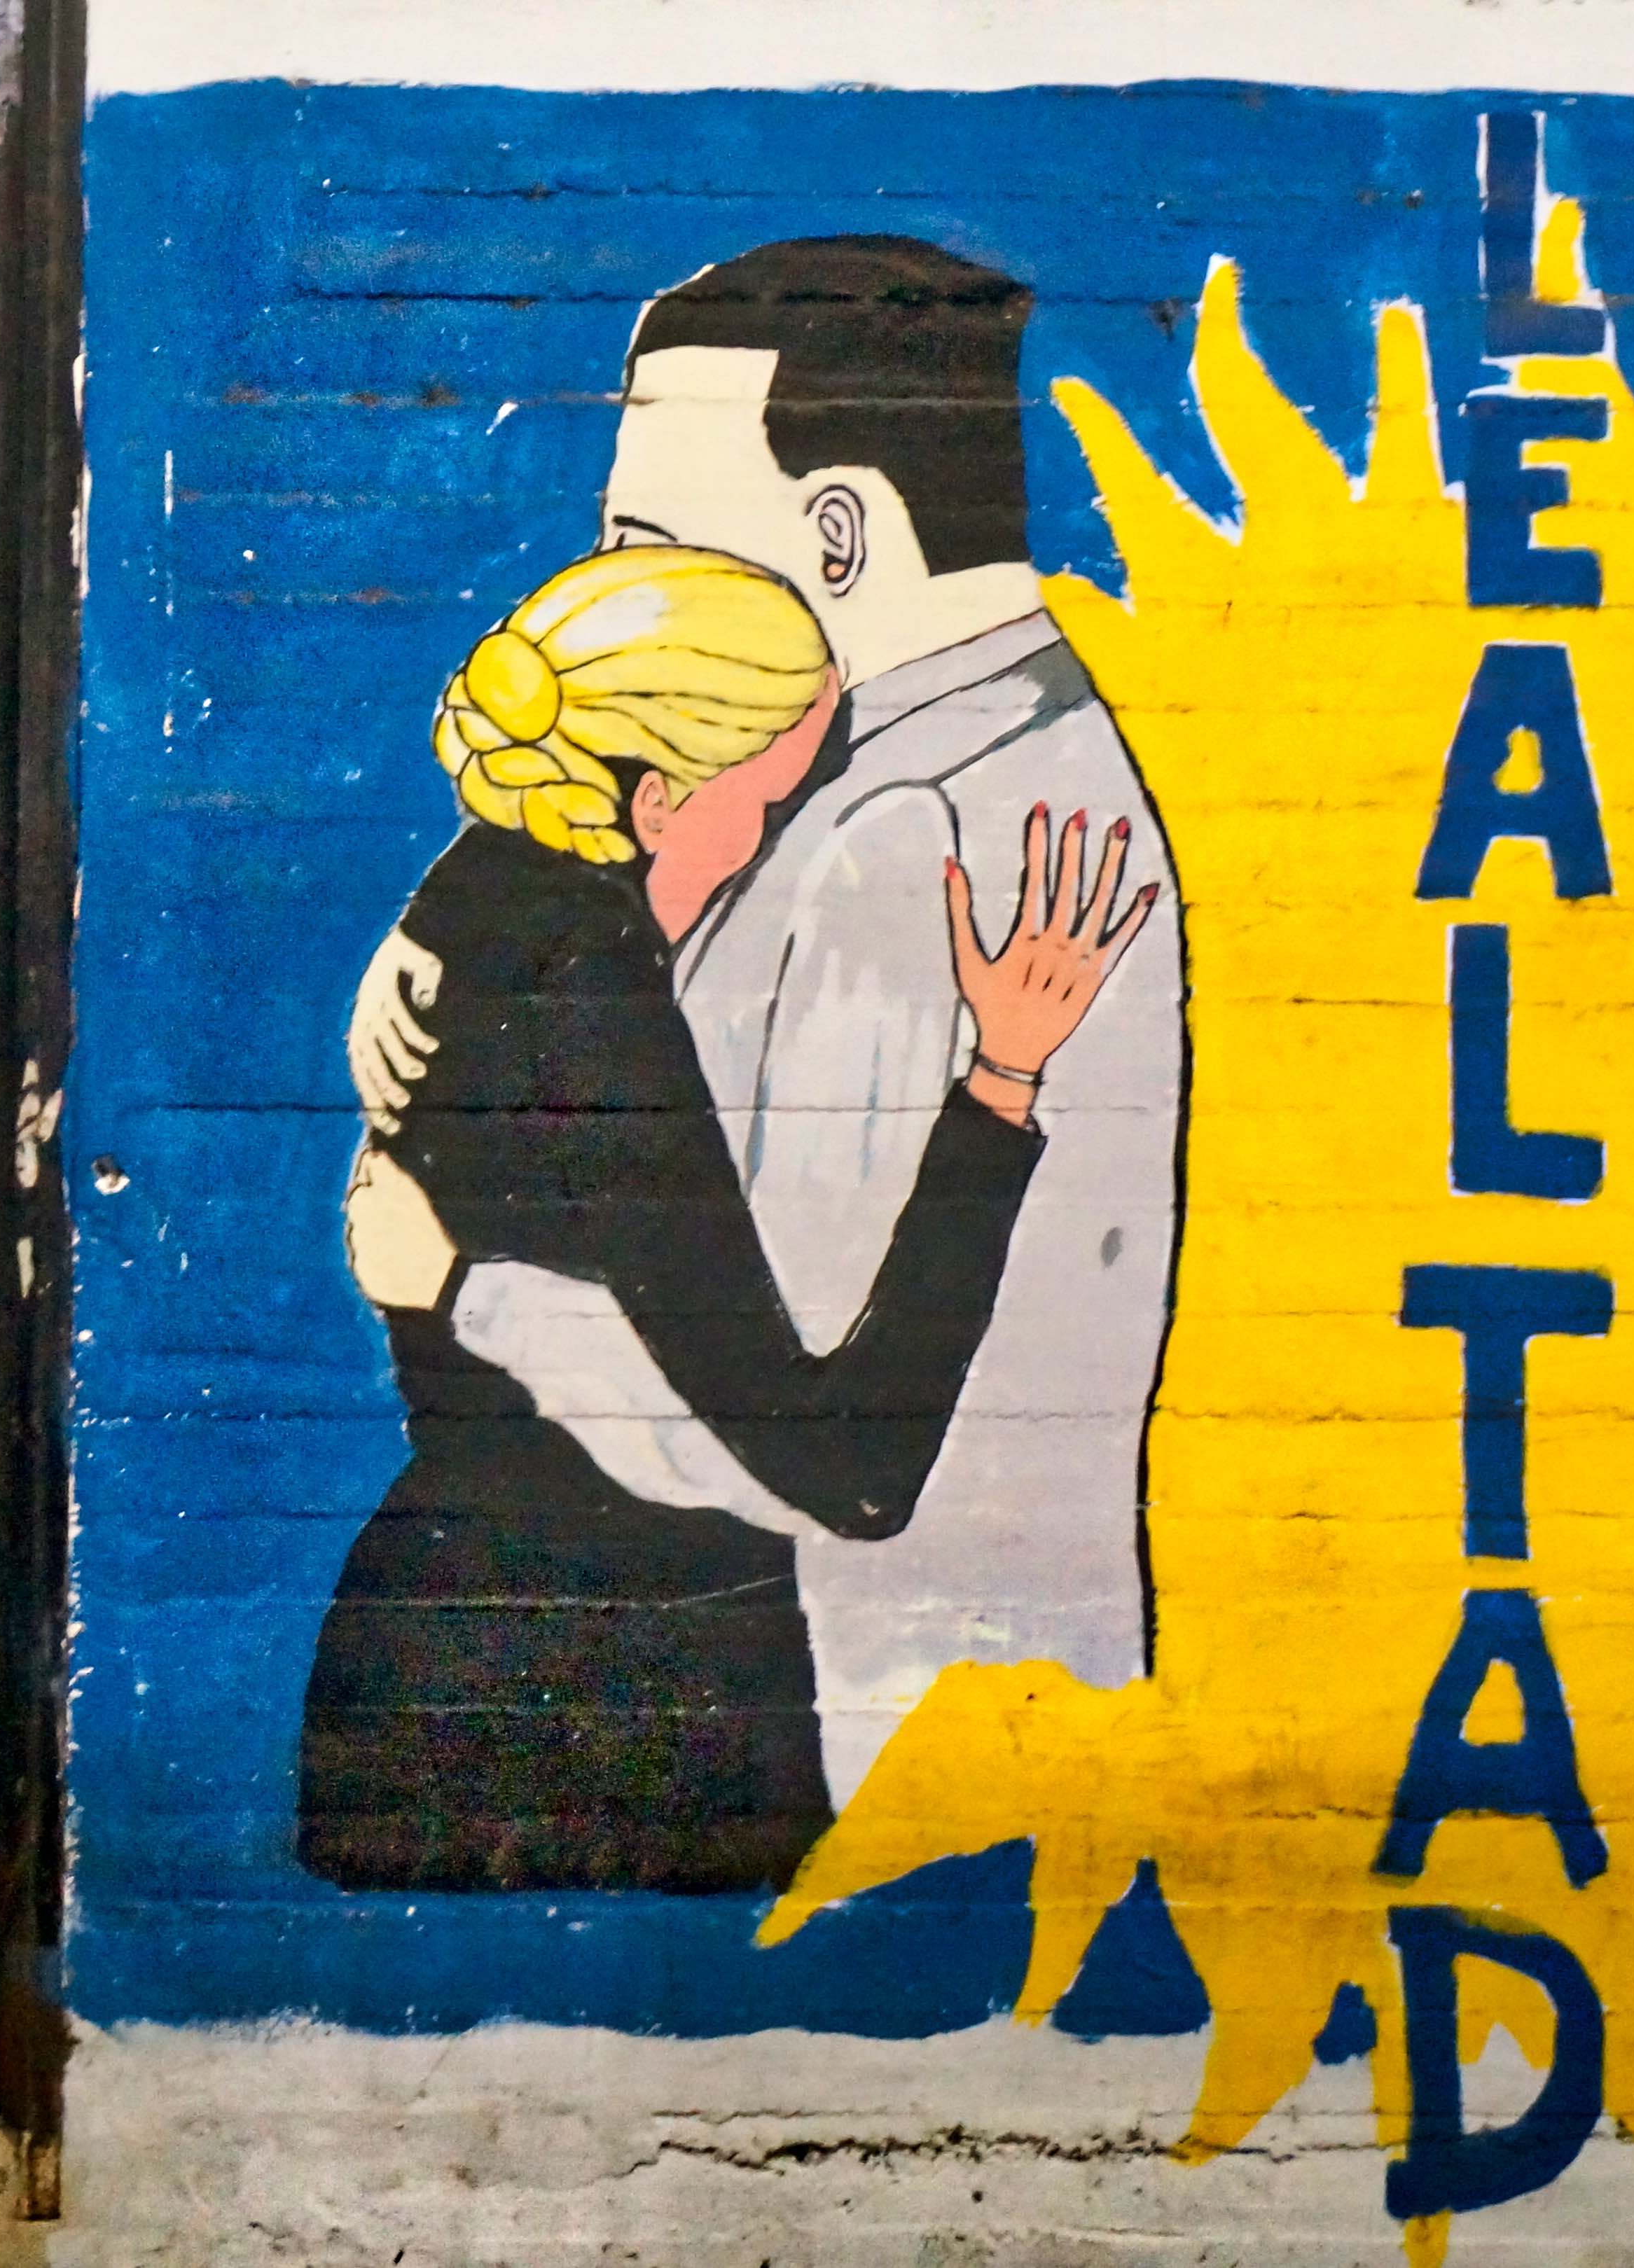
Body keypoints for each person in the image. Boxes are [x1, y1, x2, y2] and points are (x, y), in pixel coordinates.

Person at [346, 237, 1186, 1809]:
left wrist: (462, 1285)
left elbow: (775, 1429)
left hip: (841, 1718)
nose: (605, 590)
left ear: (839, 534)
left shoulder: (895, 835)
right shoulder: (968, 756)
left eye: (646, 542)